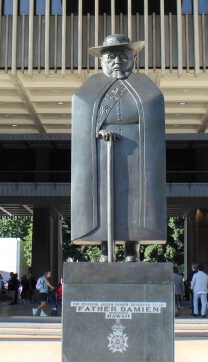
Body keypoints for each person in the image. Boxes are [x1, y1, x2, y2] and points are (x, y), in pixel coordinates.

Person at [71, 34, 166, 262]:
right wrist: (98, 134)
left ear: (132, 58)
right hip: (103, 154)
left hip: (137, 154)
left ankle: (133, 249)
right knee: (104, 200)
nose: (117, 62)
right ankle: (105, 248)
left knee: (134, 201)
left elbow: (153, 119)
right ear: (101, 60)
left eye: (123, 57)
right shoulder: (89, 89)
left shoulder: (146, 87)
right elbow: (83, 125)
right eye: (111, 57)